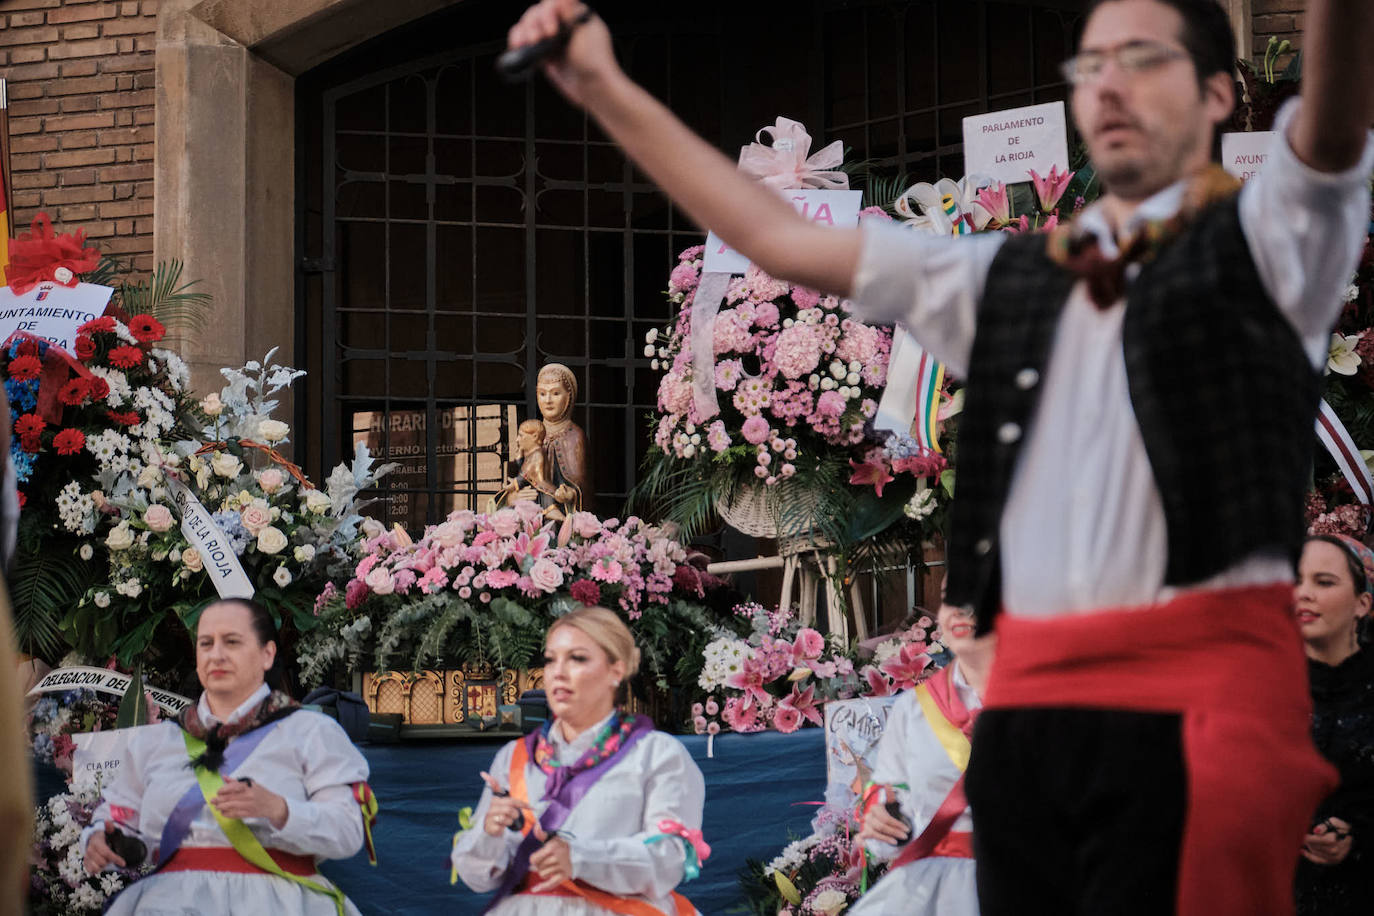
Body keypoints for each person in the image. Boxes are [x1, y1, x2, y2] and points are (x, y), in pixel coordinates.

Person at [506, 1, 1374, 913]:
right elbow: (779, 238)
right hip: (1033, 713)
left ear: (1217, 94)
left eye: (1143, 58)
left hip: (1200, 701)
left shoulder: (1273, 244)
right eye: (1090, 64)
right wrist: (604, 86)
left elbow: (1329, 128)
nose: (1110, 82)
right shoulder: (1006, 278)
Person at [82, 598, 375, 915]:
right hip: (170, 903)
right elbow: (119, 815)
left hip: (279, 903)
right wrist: (102, 840)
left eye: (232, 642)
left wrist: (279, 810)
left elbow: (348, 831)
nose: (216, 655)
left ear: (267, 654)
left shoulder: (310, 731)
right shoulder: (157, 742)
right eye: (205, 644)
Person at [451, 606, 706, 915]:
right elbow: (477, 879)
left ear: (616, 670)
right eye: (550, 659)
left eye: (578, 658)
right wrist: (488, 833)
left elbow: (669, 860)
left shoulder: (657, 754)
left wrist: (580, 858)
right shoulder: (515, 757)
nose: (558, 671)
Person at [851, 604, 992, 916]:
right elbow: (890, 800)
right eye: (949, 596)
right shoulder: (912, 709)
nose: (958, 608)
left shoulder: (1053, 707)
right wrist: (884, 822)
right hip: (932, 892)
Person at [1293, 534, 1374, 915]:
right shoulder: (1258, 687)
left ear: (1363, 603)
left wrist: (1357, 834)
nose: (1303, 594)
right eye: (1297, 581)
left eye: (1323, 582)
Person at [511, 363, 588, 516]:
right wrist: (513, 498)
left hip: (562, 514)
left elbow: (584, 488)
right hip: (530, 515)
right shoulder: (529, 432)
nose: (548, 400)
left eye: (555, 393)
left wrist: (570, 495)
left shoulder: (575, 436)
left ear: (569, 396)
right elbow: (516, 479)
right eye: (542, 394)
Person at [494, 419, 565, 518]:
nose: (517, 440)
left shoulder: (537, 454)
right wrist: (519, 458)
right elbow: (521, 469)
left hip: (541, 487)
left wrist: (513, 485)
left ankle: (551, 510)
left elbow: (525, 474)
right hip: (531, 492)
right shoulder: (531, 454)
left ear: (535, 437)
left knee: (544, 498)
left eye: (521, 435)